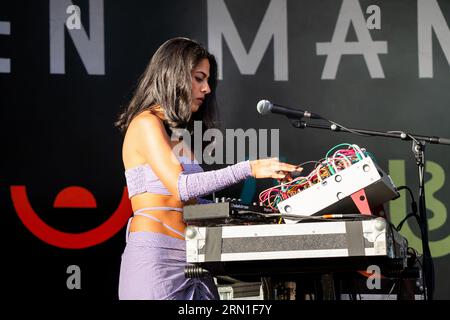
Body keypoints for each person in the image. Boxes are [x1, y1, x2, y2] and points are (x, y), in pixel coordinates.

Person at [115, 37, 300, 300]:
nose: (207, 89)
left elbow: (192, 204)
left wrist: (254, 214)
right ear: (174, 76)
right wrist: (248, 168)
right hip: (156, 262)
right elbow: (181, 187)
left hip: (194, 261)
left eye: (207, 81)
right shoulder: (145, 123)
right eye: (199, 78)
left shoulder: (176, 134)